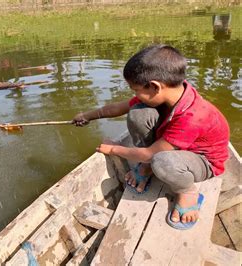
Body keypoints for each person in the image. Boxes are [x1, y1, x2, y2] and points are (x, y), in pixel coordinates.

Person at [72, 44, 230, 230]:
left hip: (203, 161)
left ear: (154, 86)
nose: (135, 94)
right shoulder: (166, 93)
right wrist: (87, 115)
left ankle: (187, 192)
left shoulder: (194, 116)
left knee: (161, 161)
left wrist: (115, 149)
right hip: (171, 145)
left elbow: (150, 154)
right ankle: (147, 168)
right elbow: (118, 108)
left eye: (136, 89)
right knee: (137, 113)